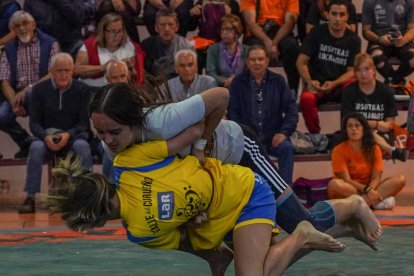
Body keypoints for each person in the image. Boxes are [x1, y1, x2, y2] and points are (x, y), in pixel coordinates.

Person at [47, 83, 350, 275]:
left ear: (134, 121)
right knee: (253, 263)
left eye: (113, 132)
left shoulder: (162, 122)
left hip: (237, 152)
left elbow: (220, 97)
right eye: (100, 133)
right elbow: (167, 209)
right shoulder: (119, 157)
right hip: (217, 189)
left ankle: (349, 209)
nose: (107, 140)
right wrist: (191, 203)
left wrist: (201, 149)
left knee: (303, 222)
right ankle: (318, 232)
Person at [18, 53, 93, 214]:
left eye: (67, 70)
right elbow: (34, 123)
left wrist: (68, 135)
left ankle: (88, 196)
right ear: (52, 70)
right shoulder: (38, 90)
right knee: (35, 148)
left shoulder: (83, 90)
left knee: (83, 146)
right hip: (46, 138)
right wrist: (45, 137)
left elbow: (84, 124)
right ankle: (30, 197)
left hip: (73, 138)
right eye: (59, 70)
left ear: (72, 71)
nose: (64, 74)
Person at [228, 44, 297, 185]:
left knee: (287, 148)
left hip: (273, 137)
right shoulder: (238, 83)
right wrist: (242, 135)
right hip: (248, 140)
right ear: (247, 62)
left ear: (267, 61)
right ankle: (249, 193)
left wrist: (284, 133)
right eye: (253, 60)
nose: (257, 63)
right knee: (235, 152)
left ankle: (286, 194)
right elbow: (233, 113)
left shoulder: (278, 81)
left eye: (260, 59)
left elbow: (291, 110)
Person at [0, 11, 60, 158]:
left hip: (42, 91)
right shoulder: (8, 48)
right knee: (2, 116)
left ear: (33, 25)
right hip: (17, 94)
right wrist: (14, 101)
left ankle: (43, 146)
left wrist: (28, 90)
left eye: (25, 24)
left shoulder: (50, 43)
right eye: (17, 26)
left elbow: (53, 73)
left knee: (33, 95)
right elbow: (4, 80)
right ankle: (27, 143)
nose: (21, 29)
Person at [297, 0, 361, 134]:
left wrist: (334, 83)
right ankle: (315, 135)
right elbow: (301, 62)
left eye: (341, 14)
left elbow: (351, 72)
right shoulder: (316, 33)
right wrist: (309, 81)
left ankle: (347, 133)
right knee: (306, 99)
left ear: (347, 17)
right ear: (327, 15)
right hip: (317, 84)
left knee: (353, 88)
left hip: (338, 85)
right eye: (334, 14)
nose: (337, 19)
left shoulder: (354, 40)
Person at [328, 113, 406, 210]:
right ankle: (374, 203)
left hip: (370, 188)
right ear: (346, 130)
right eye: (350, 126)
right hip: (350, 189)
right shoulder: (338, 150)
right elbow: (347, 180)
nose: (354, 129)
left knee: (400, 179)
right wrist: (367, 190)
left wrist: (370, 190)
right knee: (334, 185)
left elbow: (376, 178)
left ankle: (363, 203)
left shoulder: (374, 148)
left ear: (364, 128)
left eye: (357, 125)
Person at [341, 52, 408, 162]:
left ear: (374, 70)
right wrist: (375, 124)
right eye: (359, 70)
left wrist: (368, 124)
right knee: (365, 137)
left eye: (367, 69)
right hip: (356, 132)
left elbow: (390, 123)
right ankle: (392, 151)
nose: (363, 74)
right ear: (355, 73)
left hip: (382, 135)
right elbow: (348, 122)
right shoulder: (349, 91)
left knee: (373, 145)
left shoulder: (386, 91)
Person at [240, 0, 300, 93]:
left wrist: (274, 42)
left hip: (281, 32)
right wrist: (267, 41)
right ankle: (252, 91)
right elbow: (250, 23)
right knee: (254, 51)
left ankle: (292, 90)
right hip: (258, 33)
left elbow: (289, 23)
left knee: (292, 47)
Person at [74, 12, 145, 87]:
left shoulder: (130, 47)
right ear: (103, 32)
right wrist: (103, 68)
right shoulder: (89, 45)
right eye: (112, 31)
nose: (116, 35)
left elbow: (137, 76)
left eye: (119, 31)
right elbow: (76, 70)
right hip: (93, 90)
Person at [362, 0, 414, 85]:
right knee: (377, 57)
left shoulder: (410, 1)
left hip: (402, 40)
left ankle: (391, 82)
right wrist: (379, 39)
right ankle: (397, 83)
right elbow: (365, 31)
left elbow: (412, 29)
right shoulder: (369, 2)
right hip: (379, 41)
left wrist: (404, 40)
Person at [141, 8, 194, 80]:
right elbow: (143, 75)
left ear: (177, 27)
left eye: (170, 24)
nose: (167, 29)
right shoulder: (146, 46)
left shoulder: (187, 46)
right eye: (162, 25)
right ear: (156, 27)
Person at [206, 14, 248, 88]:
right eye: (222, 29)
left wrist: (236, 80)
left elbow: (249, 72)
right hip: (220, 87)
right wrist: (225, 81)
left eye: (229, 29)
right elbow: (210, 72)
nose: (224, 33)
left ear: (237, 32)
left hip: (242, 86)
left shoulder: (247, 50)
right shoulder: (213, 49)